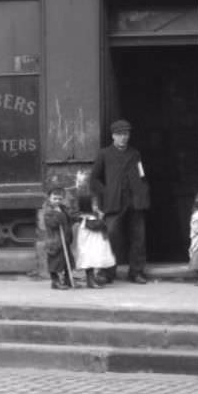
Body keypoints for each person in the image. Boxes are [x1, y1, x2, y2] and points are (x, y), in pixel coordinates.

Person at [89, 119, 150, 284]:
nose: (124, 137)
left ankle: (136, 272)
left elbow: (141, 174)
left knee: (139, 237)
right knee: (111, 236)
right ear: (113, 136)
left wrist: (142, 191)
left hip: (135, 201)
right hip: (114, 202)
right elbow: (94, 180)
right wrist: (107, 192)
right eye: (121, 134)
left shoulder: (135, 153)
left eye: (127, 134)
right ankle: (108, 272)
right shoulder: (104, 154)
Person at [73, 193, 115, 289]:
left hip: (93, 242)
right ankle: (90, 281)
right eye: (94, 205)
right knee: (90, 261)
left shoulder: (92, 216)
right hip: (89, 244)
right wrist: (101, 218)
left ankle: (94, 279)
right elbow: (96, 226)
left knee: (94, 261)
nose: (96, 206)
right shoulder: (86, 217)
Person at [41, 185, 73, 290]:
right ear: (49, 198)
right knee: (55, 263)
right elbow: (52, 224)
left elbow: (68, 220)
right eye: (55, 198)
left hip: (65, 239)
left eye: (59, 199)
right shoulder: (48, 211)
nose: (57, 201)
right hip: (55, 241)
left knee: (67, 260)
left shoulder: (63, 209)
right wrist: (58, 214)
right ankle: (55, 282)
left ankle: (68, 280)